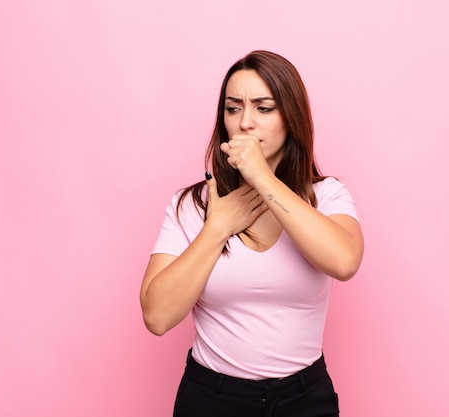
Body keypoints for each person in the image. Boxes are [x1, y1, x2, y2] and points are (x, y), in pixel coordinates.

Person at [140, 50, 364, 417]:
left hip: (304, 399)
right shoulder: (191, 204)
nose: (246, 122)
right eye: (233, 108)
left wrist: (262, 177)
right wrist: (218, 227)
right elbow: (157, 316)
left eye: (263, 108)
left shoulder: (326, 196)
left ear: (290, 117)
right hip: (211, 397)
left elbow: (344, 261)